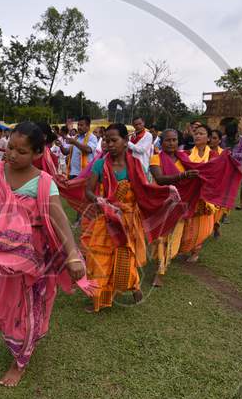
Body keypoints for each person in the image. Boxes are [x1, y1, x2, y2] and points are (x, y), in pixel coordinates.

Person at [0, 122, 89, 387]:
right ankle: (18, 336)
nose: (12, 154)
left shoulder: (45, 182)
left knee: (28, 309)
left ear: (37, 153)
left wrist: (72, 255)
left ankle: (20, 361)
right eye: (10, 147)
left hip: (34, 258)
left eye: (21, 151)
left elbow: (58, 220)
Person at [82, 123, 147, 311]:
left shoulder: (135, 165)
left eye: (114, 140)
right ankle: (98, 299)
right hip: (106, 218)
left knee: (124, 258)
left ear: (126, 141)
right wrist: (100, 201)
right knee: (97, 257)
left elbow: (144, 192)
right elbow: (88, 190)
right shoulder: (100, 164)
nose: (109, 144)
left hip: (127, 220)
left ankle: (134, 286)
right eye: (106, 140)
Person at [149, 129, 199, 287]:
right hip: (162, 203)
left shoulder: (184, 158)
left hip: (180, 204)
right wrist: (182, 176)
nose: (172, 143)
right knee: (160, 237)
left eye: (174, 140)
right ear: (161, 142)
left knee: (173, 238)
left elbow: (197, 175)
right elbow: (160, 179)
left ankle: (160, 271)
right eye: (168, 140)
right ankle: (160, 264)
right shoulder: (155, 158)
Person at [179, 124, 216, 262]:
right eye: (196, 133)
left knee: (201, 225)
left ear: (208, 138)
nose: (197, 136)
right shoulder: (186, 154)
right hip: (189, 194)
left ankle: (196, 251)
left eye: (201, 133)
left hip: (205, 195)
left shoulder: (213, 155)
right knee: (188, 223)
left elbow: (214, 174)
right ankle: (186, 247)